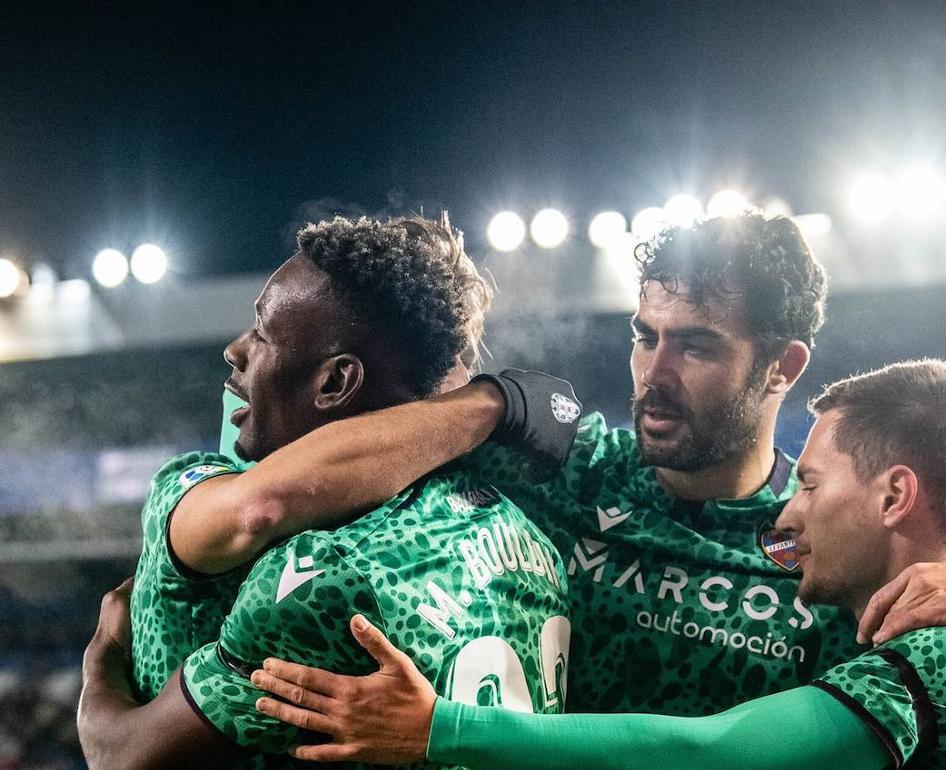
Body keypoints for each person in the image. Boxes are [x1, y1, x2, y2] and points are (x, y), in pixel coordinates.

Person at [85, 213, 946, 761]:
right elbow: (301, 472)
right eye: (645, 335)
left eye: (695, 344)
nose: (653, 372)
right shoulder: (570, 467)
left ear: (781, 366)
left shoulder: (826, 544)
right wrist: (492, 406)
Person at [248, 360, 946, 769]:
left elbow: (713, 749)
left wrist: (442, 728)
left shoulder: (932, 661)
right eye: (645, 337)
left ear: (895, 496)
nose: (789, 513)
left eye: (815, 482)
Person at [77, 214, 581, 768]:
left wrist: (103, 652)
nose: (234, 349)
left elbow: (117, 756)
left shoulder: (327, 576)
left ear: (336, 382)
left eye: (262, 334)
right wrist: (491, 401)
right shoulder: (531, 540)